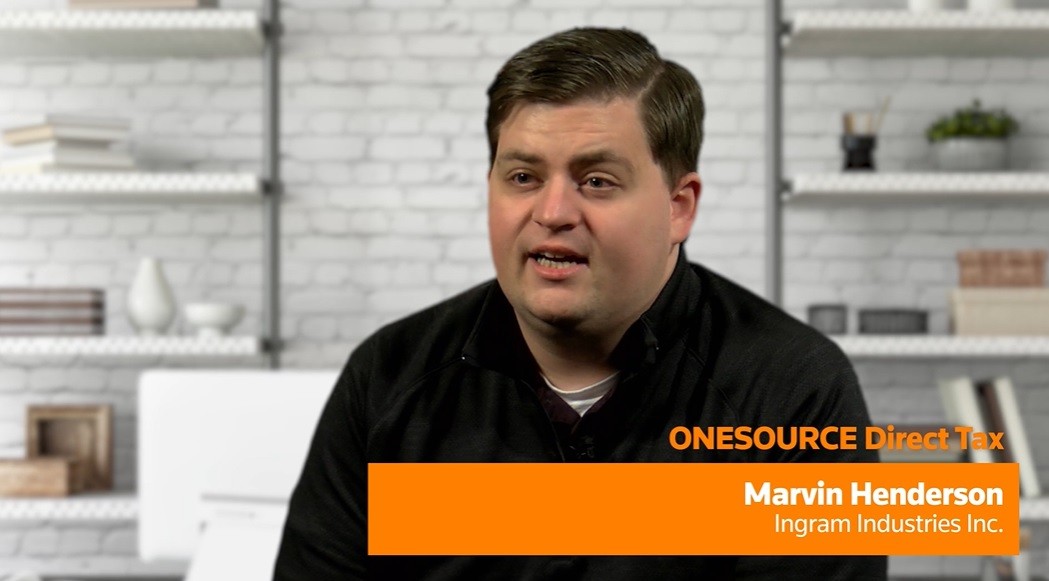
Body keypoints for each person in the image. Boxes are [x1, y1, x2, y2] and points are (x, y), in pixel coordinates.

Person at [274, 27, 886, 580]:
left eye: (596, 181)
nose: (553, 213)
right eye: (523, 177)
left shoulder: (793, 391)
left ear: (678, 208)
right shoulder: (387, 377)